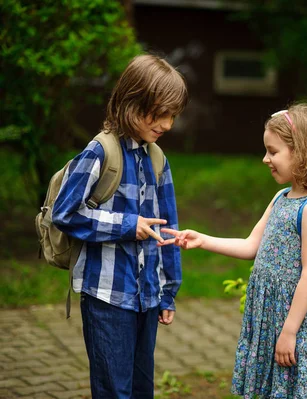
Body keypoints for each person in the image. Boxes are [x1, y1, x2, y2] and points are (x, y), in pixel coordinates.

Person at [160, 103, 307, 398]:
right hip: (271, 314)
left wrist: (289, 332)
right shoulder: (282, 197)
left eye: (273, 152)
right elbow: (252, 246)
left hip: (294, 319)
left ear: (304, 152)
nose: (265, 159)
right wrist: (202, 239)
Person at [52, 54, 188, 398]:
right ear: (133, 103)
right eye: (161, 113)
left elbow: (169, 227)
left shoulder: (157, 158)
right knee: (115, 391)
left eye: (173, 115)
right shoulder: (100, 152)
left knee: (142, 388)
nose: (168, 124)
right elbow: (65, 213)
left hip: (147, 296)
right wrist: (128, 225)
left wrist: (168, 290)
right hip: (106, 298)